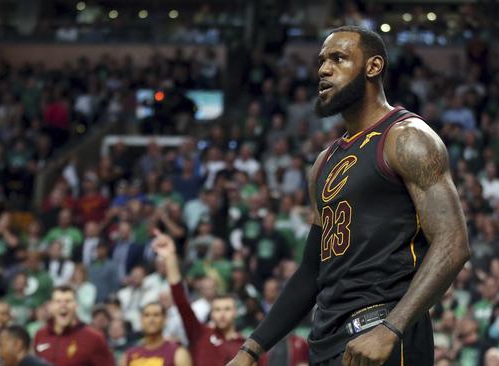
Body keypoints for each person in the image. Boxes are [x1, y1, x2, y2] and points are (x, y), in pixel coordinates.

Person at [225, 25, 470, 366]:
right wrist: (251, 350)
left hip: (381, 329)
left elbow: (453, 243)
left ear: (373, 67)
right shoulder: (324, 162)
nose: (324, 69)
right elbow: (311, 271)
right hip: (328, 337)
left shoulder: (407, 138)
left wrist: (391, 329)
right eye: (322, 61)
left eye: (338, 59)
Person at [150, 229, 244, 366]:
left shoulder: (246, 345)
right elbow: (181, 301)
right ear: (211, 314)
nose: (222, 314)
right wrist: (170, 258)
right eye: (217, 310)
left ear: (235, 312)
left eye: (227, 309)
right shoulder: (200, 334)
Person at [33, 285, 115, 366]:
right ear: (51, 306)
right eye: (58, 301)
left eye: (68, 301)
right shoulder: (40, 335)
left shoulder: (94, 338)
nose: (63, 305)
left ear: (76, 305)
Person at [121, 302, 192, 366]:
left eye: (156, 315)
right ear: (141, 320)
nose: (151, 320)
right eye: (147, 315)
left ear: (165, 319)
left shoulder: (177, 352)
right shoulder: (129, 354)